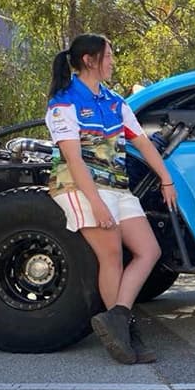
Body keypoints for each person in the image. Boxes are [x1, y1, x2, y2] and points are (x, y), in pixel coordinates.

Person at [45, 33, 177, 365]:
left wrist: (166, 179)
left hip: (117, 187)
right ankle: (123, 330)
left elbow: (143, 142)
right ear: (89, 60)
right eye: (109, 55)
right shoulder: (63, 102)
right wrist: (98, 204)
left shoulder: (114, 100)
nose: (113, 61)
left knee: (149, 251)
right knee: (113, 256)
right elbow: (74, 160)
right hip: (80, 187)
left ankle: (117, 318)